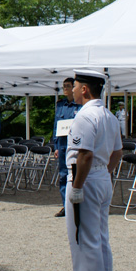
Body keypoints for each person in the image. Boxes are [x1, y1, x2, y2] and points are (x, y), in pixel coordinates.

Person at [63, 70, 123, 271]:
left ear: (85, 89)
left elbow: (84, 154)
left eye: (75, 86)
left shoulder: (85, 117)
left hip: (84, 178)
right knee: (100, 237)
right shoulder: (108, 115)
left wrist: (77, 186)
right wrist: (103, 172)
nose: (73, 90)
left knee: (83, 238)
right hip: (101, 176)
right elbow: (117, 152)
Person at [53, 78, 80, 217]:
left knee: (76, 175)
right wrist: (56, 145)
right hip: (63, 145)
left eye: (68, 86)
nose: (65, 89)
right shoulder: (60, 105)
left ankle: (77, 205)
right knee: (63, 176)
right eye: (63, 86)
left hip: (75, 145)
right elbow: (56, 125)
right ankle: (66, 206)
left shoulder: (79, 105)